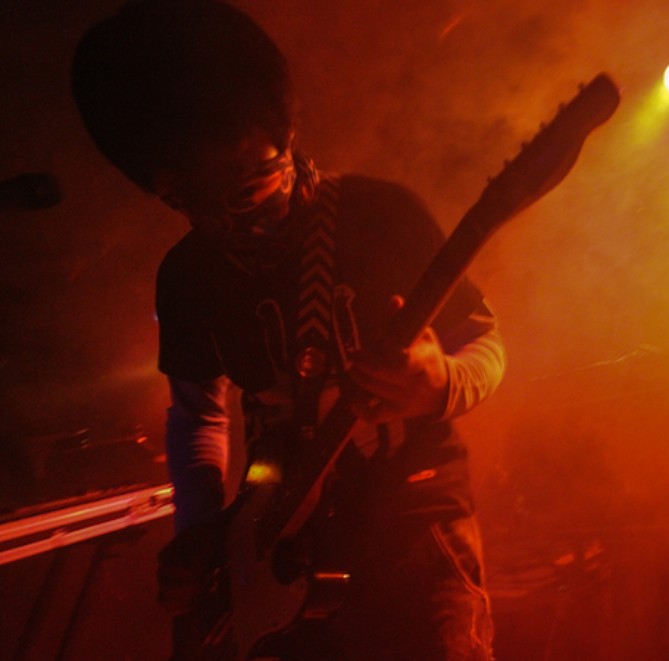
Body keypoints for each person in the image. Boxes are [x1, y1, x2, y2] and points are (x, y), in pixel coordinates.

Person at [71, 1, 505, 659]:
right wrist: (200, 529)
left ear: (287, 133)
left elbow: (485, 340)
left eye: (247, 185)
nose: (226, 219)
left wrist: (440, 381)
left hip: (412, 522)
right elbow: (198, 417)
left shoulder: (378, 213)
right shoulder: (187, 276)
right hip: (275, 543)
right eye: (189, 201)